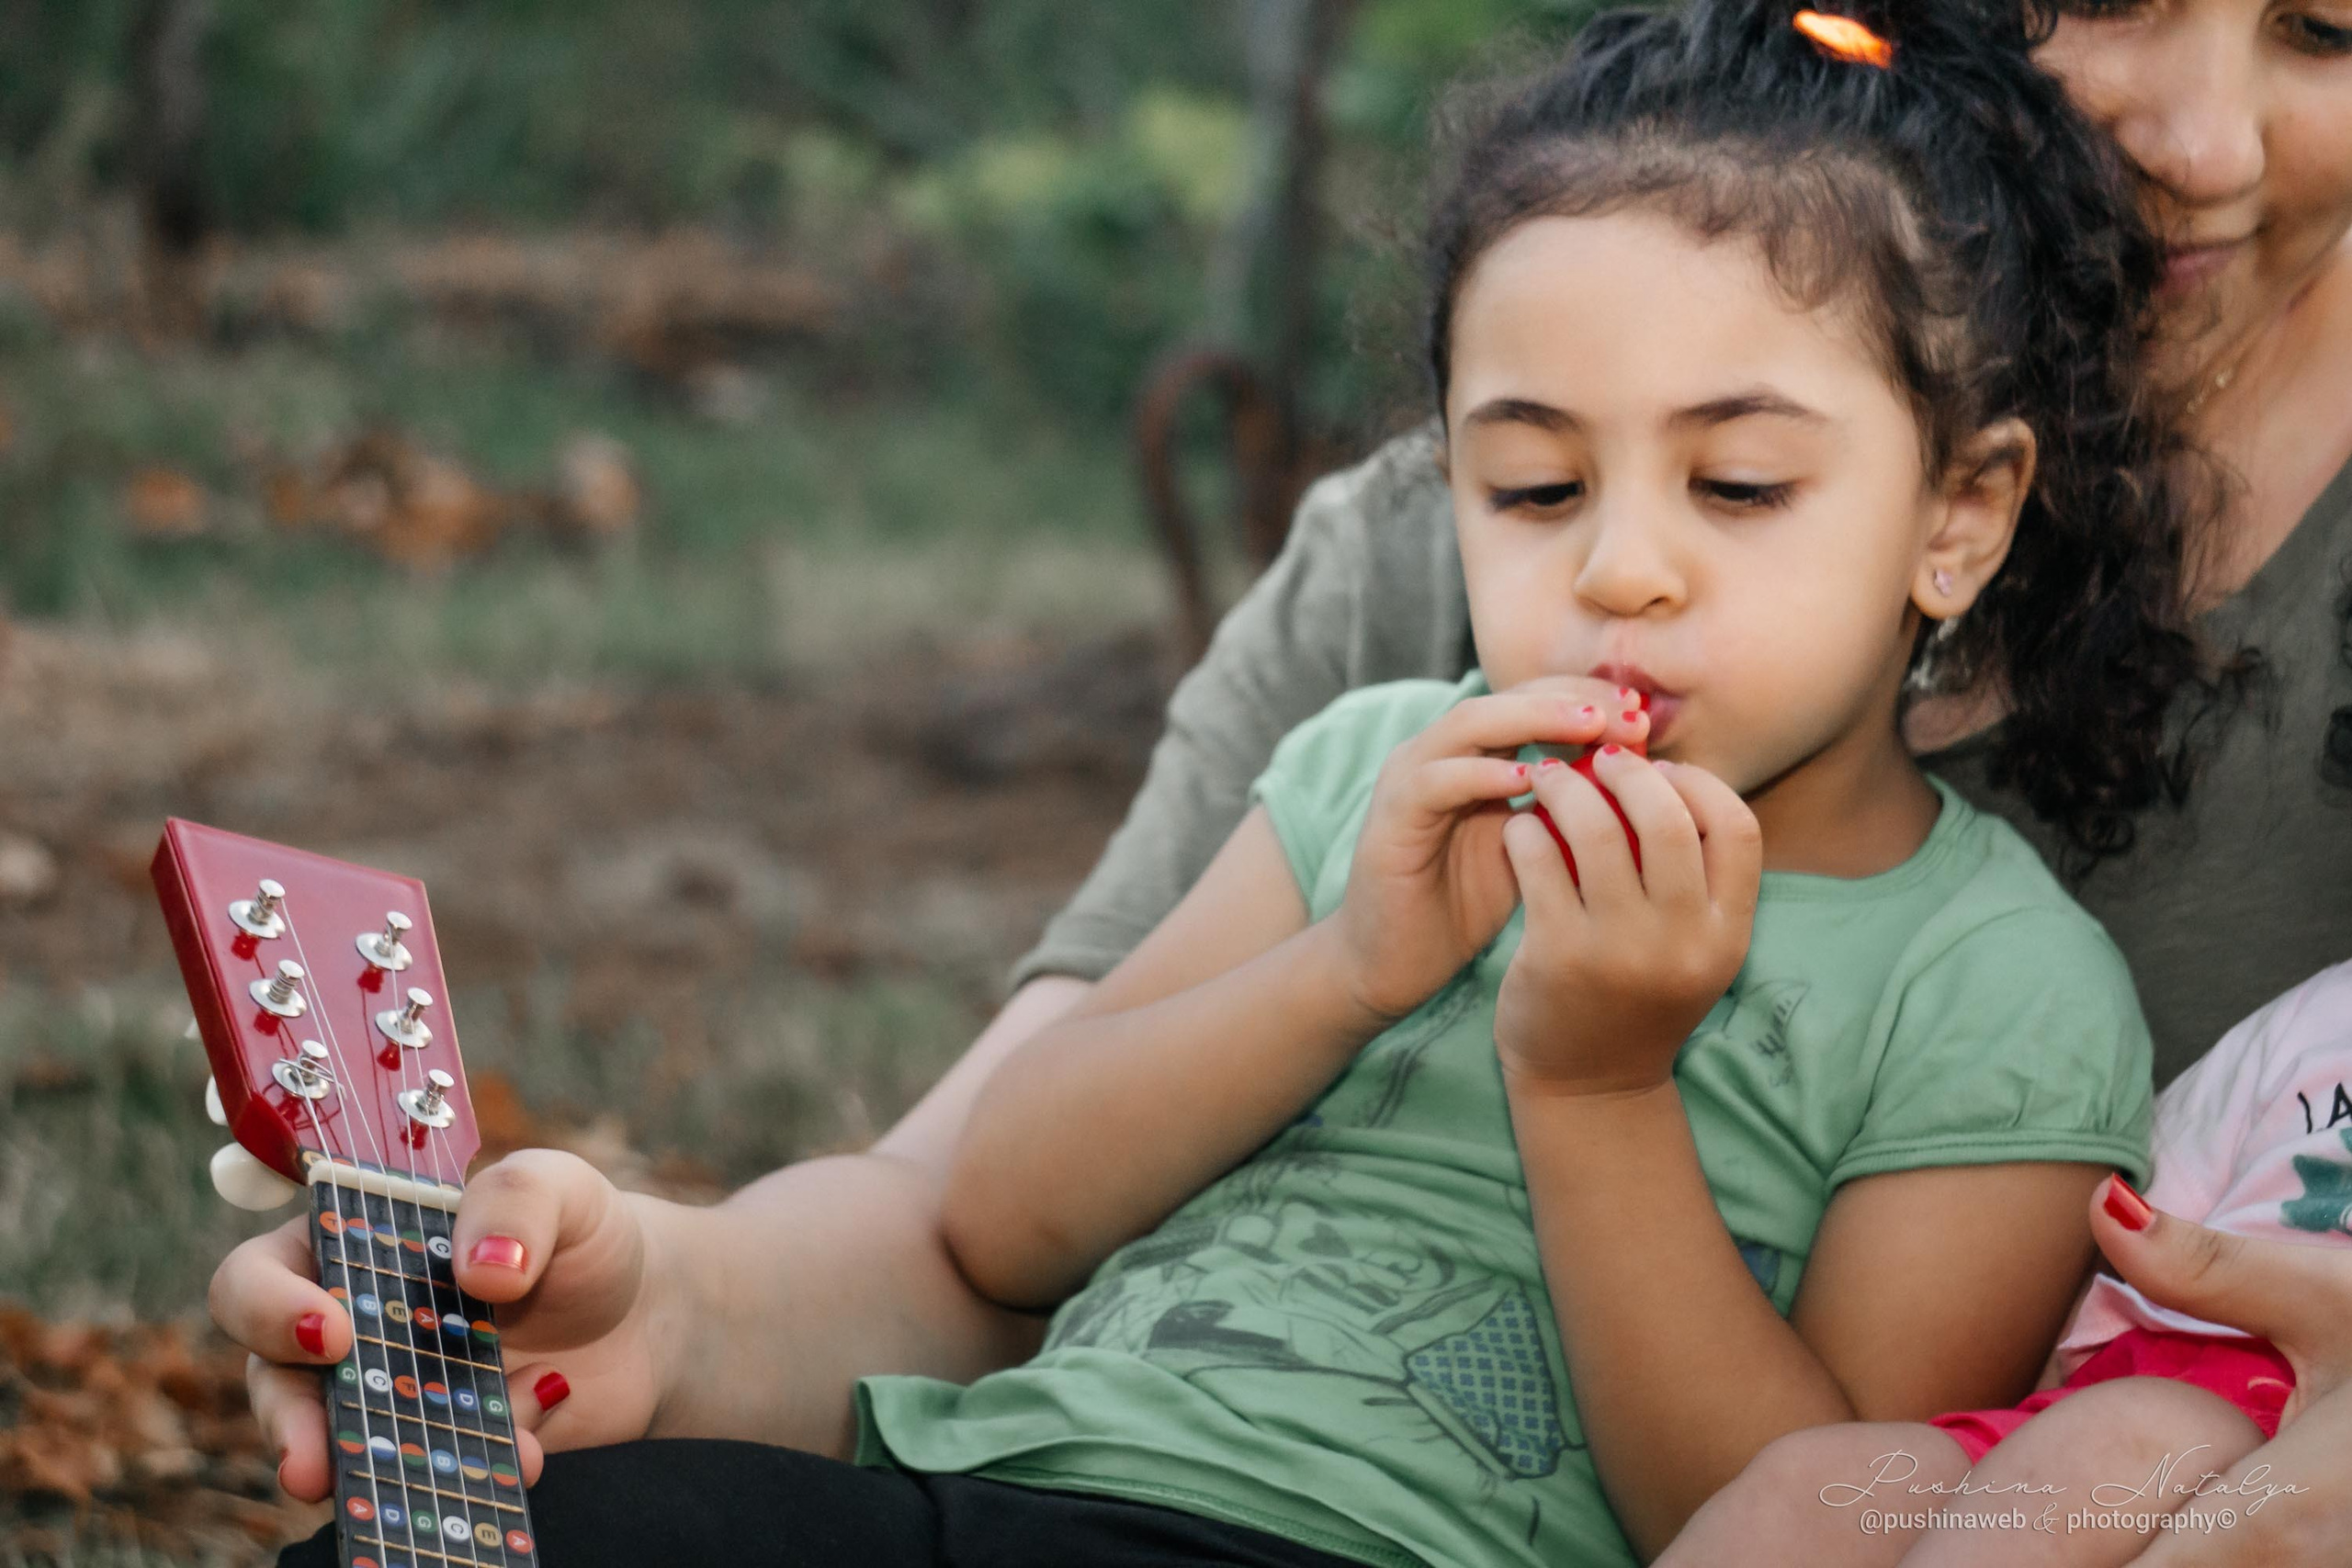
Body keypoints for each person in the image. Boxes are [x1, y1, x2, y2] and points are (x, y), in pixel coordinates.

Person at [211, 1, 2352, 1564]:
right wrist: (648, 1303)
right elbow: (988, 1209)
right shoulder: (1377, 749)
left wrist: (1593, 1082)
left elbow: (1801, 1511)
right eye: (1526, 477)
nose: (1614, 557)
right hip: (999, 1469)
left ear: (1957, 511)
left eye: (1734, 478)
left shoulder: (1990, 985)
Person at [1659, 955, 2352, 1567]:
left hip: (2263, 1432)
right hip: (2122, 1383)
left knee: (2124, 1439)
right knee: (1809, 1482)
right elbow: (2133, 1242)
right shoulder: (2316, 1014)